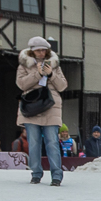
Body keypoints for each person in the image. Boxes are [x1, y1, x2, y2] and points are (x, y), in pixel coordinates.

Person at [16, 36, 67, 186]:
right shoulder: (24, 65)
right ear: (32, 51)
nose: (41, 53)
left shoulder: (55, 65)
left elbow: (63, 86)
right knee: (33, 143)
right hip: (32, 107)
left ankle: (57, 175)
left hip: (51, 107)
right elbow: (21, 84)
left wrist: (51, 74)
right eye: (38, 50)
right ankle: (36, 173)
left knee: (52, 142)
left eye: (44, 50)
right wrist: (37, 74)